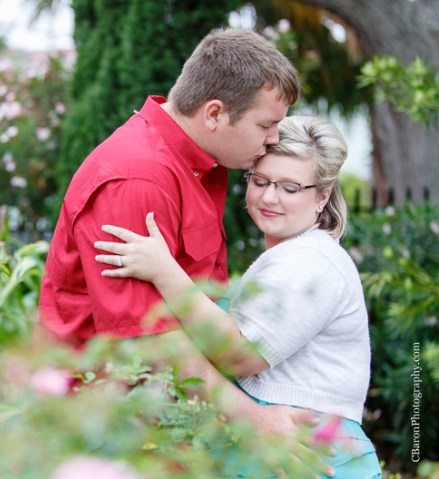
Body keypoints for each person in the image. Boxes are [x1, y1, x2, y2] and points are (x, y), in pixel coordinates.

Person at [37, 27, 335, 476]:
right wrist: (253, 418)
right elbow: (150, 340)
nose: (274, 139)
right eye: (266, 124)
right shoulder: (137, 179)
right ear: (215, 113)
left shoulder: (199, 164)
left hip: (167, 423)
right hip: (112, 436)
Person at [94, 116, 382, 478]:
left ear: (322, 196)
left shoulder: (313, 260)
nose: (269, 197)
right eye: (260, 181)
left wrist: (163, 270)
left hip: (308, 454)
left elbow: (240, 354)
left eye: (291, 187)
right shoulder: (290, 256)